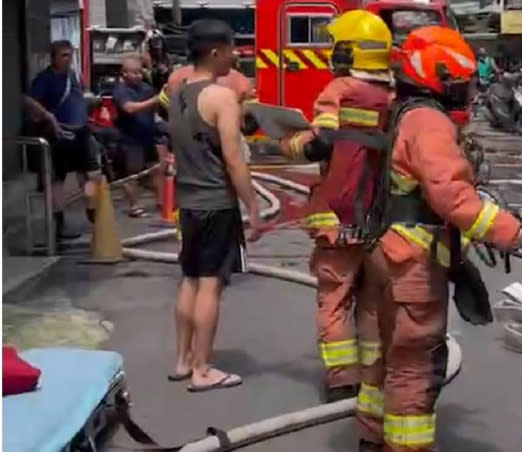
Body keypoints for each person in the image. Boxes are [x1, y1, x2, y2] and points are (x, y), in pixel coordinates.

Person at [357, 26, 522, 451]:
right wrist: (507, 230)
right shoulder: (429, 121)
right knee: (415, 366)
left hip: (384, 251)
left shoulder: (400, 111)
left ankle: (372, 438)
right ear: (437, 76)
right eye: (457, 81)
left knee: (386, 359)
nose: (463, 91)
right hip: (413, 263)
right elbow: (450, 195)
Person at [279, 9, 393, 407]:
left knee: (335, 297)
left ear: (347, 51)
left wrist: (288, 141)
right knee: (374, 301)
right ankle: (373, 374)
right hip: (380, 219)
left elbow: (319, 141)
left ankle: (343, 380)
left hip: (336, 215)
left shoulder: (340, 89)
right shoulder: (395, 97)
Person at [167, 18, 264, 392]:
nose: (234, 56)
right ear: (214, 51)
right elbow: (234, 160)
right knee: (210, 284)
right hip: (215, 203)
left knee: (189, 279)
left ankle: (182, 360)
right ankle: (203, 369)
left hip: (188, 202)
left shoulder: (176, 90)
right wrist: (252, 207)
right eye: (230, 49)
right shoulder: (221, 97)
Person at [23, 40, 102, 239]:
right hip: (60, 135)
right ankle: (59, 224)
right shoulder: (45, 79)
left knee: (90, 175)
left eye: (70, 55)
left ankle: (94, 213)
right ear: (54, 58)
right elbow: (28, 100)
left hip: (81, 132)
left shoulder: (73, 76)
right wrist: (48, 116)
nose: (68, 60)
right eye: (64, 56)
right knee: (57, 179)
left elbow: (78, 99)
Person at [112, 55, 164, 217]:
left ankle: (162, 201)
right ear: (124, 74)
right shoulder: (120, 91)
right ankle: (134, 206)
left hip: (148, 136)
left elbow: (156, 108)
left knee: (155, 169)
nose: (138, 76)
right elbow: (129, 108)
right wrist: (154, 100)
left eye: (140, 72)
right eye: (134, 73)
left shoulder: (146, 88)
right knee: (132, 175)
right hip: (130, 139)